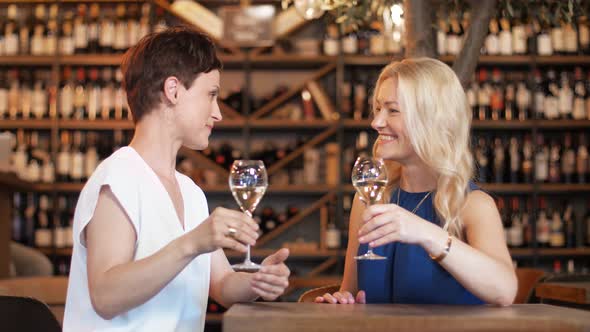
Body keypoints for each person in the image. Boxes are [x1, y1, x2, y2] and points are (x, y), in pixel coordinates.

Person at [63, 27, 290, 331]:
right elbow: (105, 295)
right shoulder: (118, 177)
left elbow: (222, 284)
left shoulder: (190, 191)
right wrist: (192, 243)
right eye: (210, 95)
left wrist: (259, 282)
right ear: (173, 91)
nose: (218, 113)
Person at [315, 58, 517, 306]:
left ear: (432, 119)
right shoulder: (368, 201)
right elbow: (352, 291)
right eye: (378, 109)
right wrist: (342, 301)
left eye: (393, 110)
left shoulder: (473, 205)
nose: (376, 122)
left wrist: (426, 234)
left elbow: (505, 291)